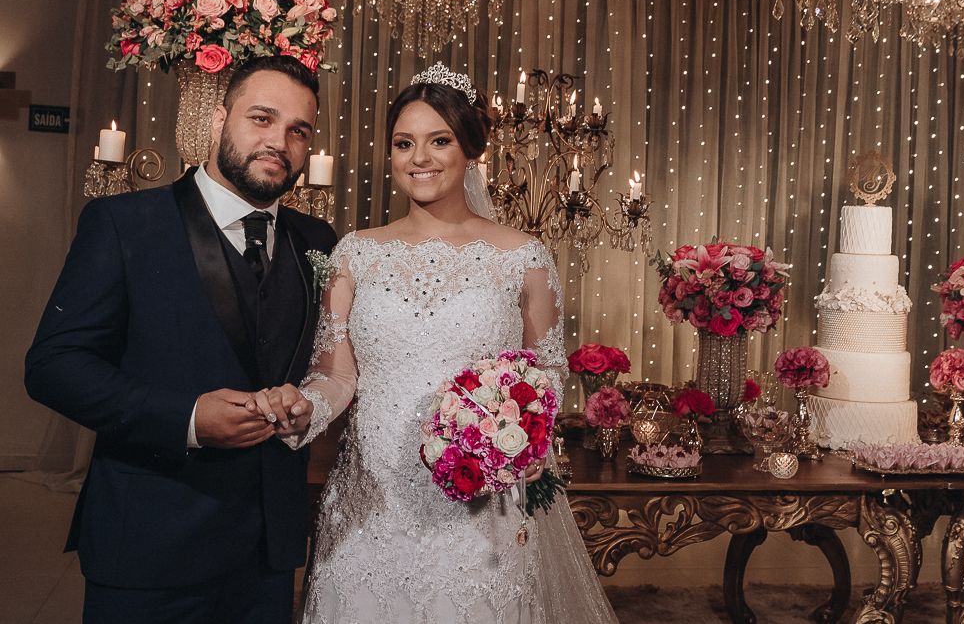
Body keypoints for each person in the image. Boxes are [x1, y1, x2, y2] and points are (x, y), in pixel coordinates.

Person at [256, 63, 620, 623]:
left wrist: (521, 441)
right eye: (404, 143)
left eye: (439, 141)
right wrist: (305, 408)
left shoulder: (523, 256)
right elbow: (337, 375)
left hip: (478, 507)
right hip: (370, 507)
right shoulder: (355, 253)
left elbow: (546, 371)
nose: (419, 158)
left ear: (471, 149)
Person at [25, 55, 338, 624]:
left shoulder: (318, 240)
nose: (280, 142)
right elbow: (54, 364)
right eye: (262, 118)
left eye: (299, 130)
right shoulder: (122, 222)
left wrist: (306, 404)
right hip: (148, 542)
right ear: (218, 120)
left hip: (267, 553)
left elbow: (326, 361)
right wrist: (187, 418)